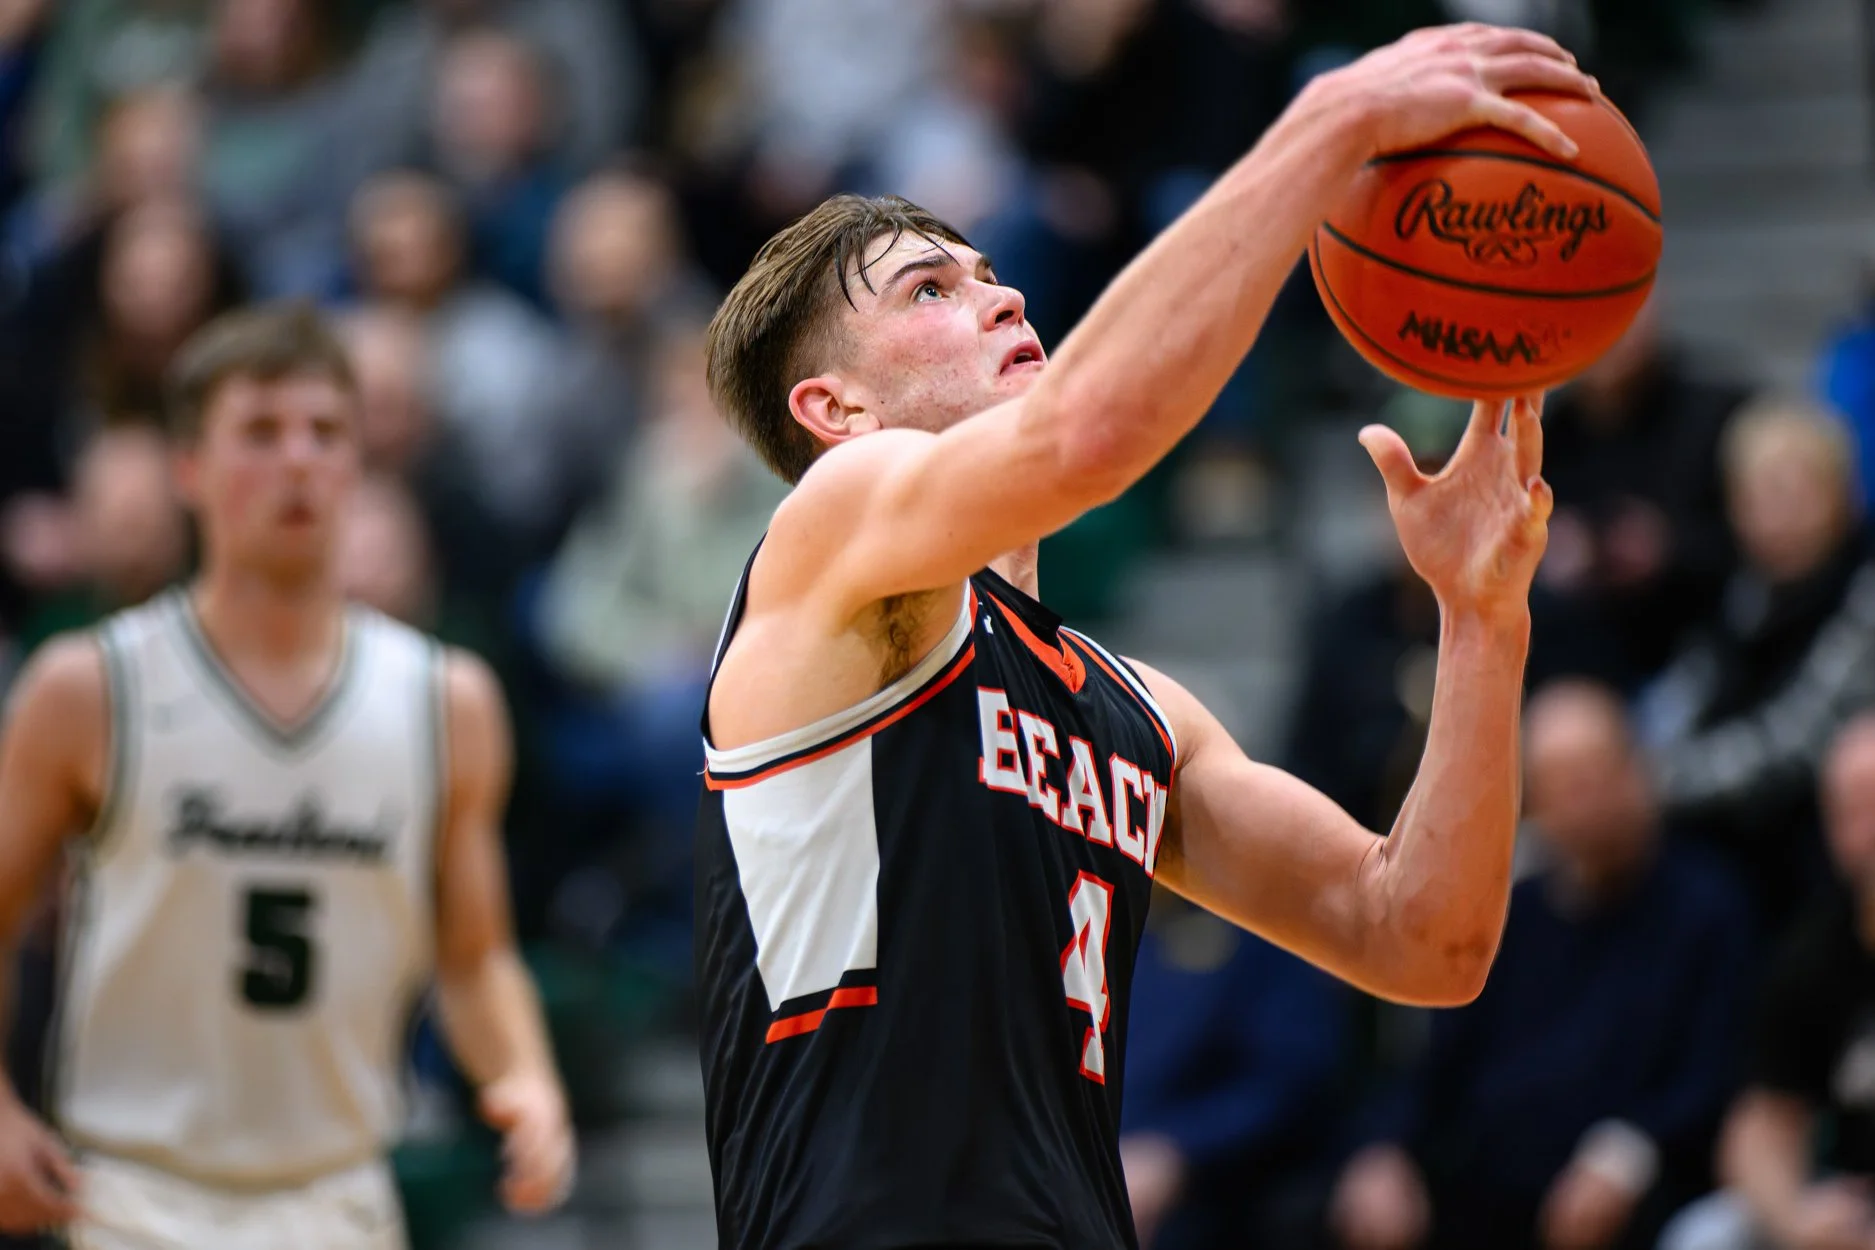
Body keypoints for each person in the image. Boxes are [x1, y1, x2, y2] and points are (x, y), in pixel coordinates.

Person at [696, 22, 1589, 1250]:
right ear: (834, 408)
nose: (1003, 293)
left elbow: (1423, 937)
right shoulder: (829, 541)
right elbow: (1091, 434)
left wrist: (1482, 617)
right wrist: (1330, 121)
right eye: (931, 290)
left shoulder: (1140, 712)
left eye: (987, 270)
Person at [0, 304, 574, 1246]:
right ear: (190, 469)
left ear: (358, 465)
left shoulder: (446, 702)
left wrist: (525, 1077)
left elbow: (474, 955)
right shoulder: (89, 688)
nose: (298, 459)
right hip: (133, 1195)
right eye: (261, 432)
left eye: (325, 432)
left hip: (340, 1195)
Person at [1330, 680, 1752, 1250]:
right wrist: (1383, 1150)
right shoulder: (1508, 914)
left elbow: (1712, 1074)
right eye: (1564, 785)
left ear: (1637, 771)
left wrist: (1628, 1154)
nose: (1585, 802)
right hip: (1483, 1184)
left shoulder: (1706, 908)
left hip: (1628, 1193)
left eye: (1596, 775)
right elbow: (1432, 1064)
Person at [1660, 711, 1875, 1250]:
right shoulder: (1815, 950)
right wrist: (1797, 1219)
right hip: (1847, 1211)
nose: (1869, 832)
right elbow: (1758, 1126)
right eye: (1852, 811)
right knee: (1705, 1235)